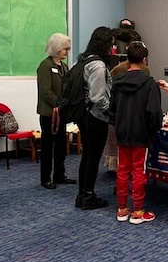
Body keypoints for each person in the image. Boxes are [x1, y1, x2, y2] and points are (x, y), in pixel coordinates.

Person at [109, 41, 163, 224]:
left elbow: (112, 111)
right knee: (139, 171)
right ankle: (138, 211)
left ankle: (122, 209)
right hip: (141, 134)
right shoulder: (150, 84)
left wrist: (118, 125)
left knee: (123, 170)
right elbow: (154, 113)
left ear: (127, 60)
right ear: (144, 60)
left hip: (122, 133)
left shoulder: (117, 83)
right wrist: (153, 130)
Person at [76, 27, 113, 210]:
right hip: (96, 117)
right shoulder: (98, 65)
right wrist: (111, 112)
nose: (112, 49)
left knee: (87, 156)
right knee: (93, 157)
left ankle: (82, 194)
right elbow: (98, 97)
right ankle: (88, 196)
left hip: (84, 115)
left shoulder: (83, 60)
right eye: (111, 44)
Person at [36, 33, 76, 189]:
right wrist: (59, 103)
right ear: (57, 48)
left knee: (61, 147)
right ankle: (45, 178)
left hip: (61, 113)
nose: (67, 51)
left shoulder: (64, 67)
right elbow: (45, 92)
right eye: (65, 49)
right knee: (47, 147)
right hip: (49, 114)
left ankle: (59, 176)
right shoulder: (45, 66)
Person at [102, 47, 151, 173]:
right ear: (144, 60)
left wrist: (114, 121)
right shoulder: (148, 80)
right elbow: (152, 108)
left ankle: (120, 184)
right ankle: (136, 189)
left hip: (121, 124)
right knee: (138, 167)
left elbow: (112, 104)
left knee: (122, 166)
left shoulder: (117, 76)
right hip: (140, 126)